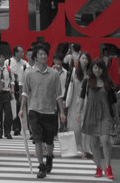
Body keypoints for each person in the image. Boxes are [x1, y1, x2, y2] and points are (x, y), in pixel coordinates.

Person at [20, 45, 63, 179]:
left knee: (49, 142)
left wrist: (62, 112)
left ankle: (49, 156)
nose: (43, 56)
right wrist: (21, 109)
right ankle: (41, 166)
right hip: (34, 111)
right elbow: (25, 92)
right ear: (36, 57)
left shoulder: (54, 74)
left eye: (45, 54)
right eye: (40, 54)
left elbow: (58, 95)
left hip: (50, 112)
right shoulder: (29, 73)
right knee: (37, 140)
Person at [83, 56, 117, 179]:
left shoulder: (108, 82)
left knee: (106, 139)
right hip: (91, 114)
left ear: (103, 70)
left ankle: (108, 167)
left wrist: (116, 117)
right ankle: (98, 167)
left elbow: (113, 102)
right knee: (94, 142)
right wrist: (79, 113)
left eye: (100, 68)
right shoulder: (87, 82)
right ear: (92, 69)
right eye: (95, 68)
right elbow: (82, 97)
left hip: (105, 114)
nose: (97, 70)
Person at [63, 52, 90, 158]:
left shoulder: (90, 73)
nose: (84, 61)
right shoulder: (74, 71)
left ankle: (84, 150)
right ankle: (74, 149)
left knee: (85, 128)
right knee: (74, 127)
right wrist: (65, 100)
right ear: (79, 60)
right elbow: (68, 86)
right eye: (83, 58)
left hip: (86, 102)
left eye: (86, 59)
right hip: (74, 101)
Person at [6, 46, 29, 137]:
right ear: (15, 53)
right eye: (21, 52)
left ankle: (19, 127)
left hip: (21, 85)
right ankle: (15, 127)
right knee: (13, 107)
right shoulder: (8, 62)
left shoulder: (25, 63)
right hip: (12, 85)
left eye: (23, 52)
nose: (22, 53)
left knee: (20, 106)